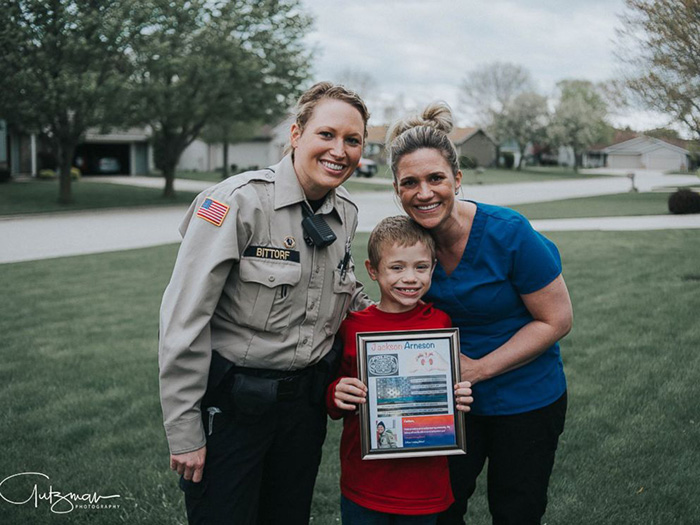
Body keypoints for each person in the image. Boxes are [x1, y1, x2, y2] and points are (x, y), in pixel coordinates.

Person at [158, 81, 372, 525]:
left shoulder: (346, 211)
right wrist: (184, 431)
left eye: (353, 140)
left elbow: (346, 294)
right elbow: (184, 319)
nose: (340, 150)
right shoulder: (235, 203)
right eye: (327, 134)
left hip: (304, 412)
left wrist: (408, 332)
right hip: (234, 409)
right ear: (296, 135)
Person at [386, 103, 574, 525]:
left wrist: (479, 369)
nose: (424, 192)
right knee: (438, 510)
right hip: (446, 402)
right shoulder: (407, 245)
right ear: (397, 190)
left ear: (457, 178)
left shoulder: (509, 232)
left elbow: (557, 320)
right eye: (410, 182)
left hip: (527, 398)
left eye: (436, 178)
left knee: (516, 511)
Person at [327, 215, 474, 525]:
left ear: (433, 268)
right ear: (373, 270)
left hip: (424, 486)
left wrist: (457, 396)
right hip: (365, 483)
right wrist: (337, 392)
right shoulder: (353, 328)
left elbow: (446, 393)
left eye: (421, 267)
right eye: (397, 267)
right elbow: (334, 399)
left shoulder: (440, 325)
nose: (410, 278)